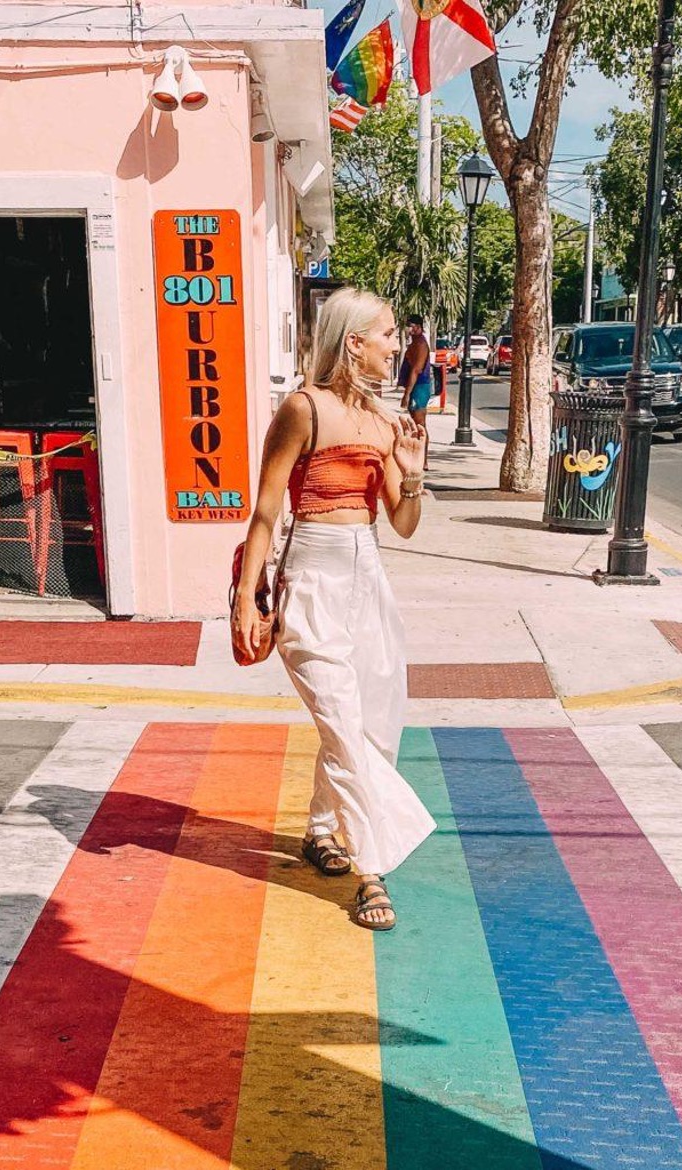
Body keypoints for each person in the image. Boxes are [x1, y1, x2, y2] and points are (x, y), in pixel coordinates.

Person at [232, 288, 436, 930]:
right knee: (344, 723)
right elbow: (265, 511)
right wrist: (246, 592)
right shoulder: (302, 409)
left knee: (372, 721)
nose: (395, 345)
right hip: (311, 577)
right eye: (387, 334)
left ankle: (323, 829)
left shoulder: (384, 422)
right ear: (354, 342)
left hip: (367, 574)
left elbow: (403, 523)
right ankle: (371, 869)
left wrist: (412, 470)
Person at [397, 314, 432, 471]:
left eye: (410, 326)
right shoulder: (415, 343)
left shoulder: (421, 345)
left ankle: (423, 460)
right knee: (416, 424)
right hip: (416, 387)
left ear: (417, 327)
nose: (408, 329)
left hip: (419, 387)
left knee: (420, 424)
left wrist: (407, 393)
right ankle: (420, 457)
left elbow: (416, 370)